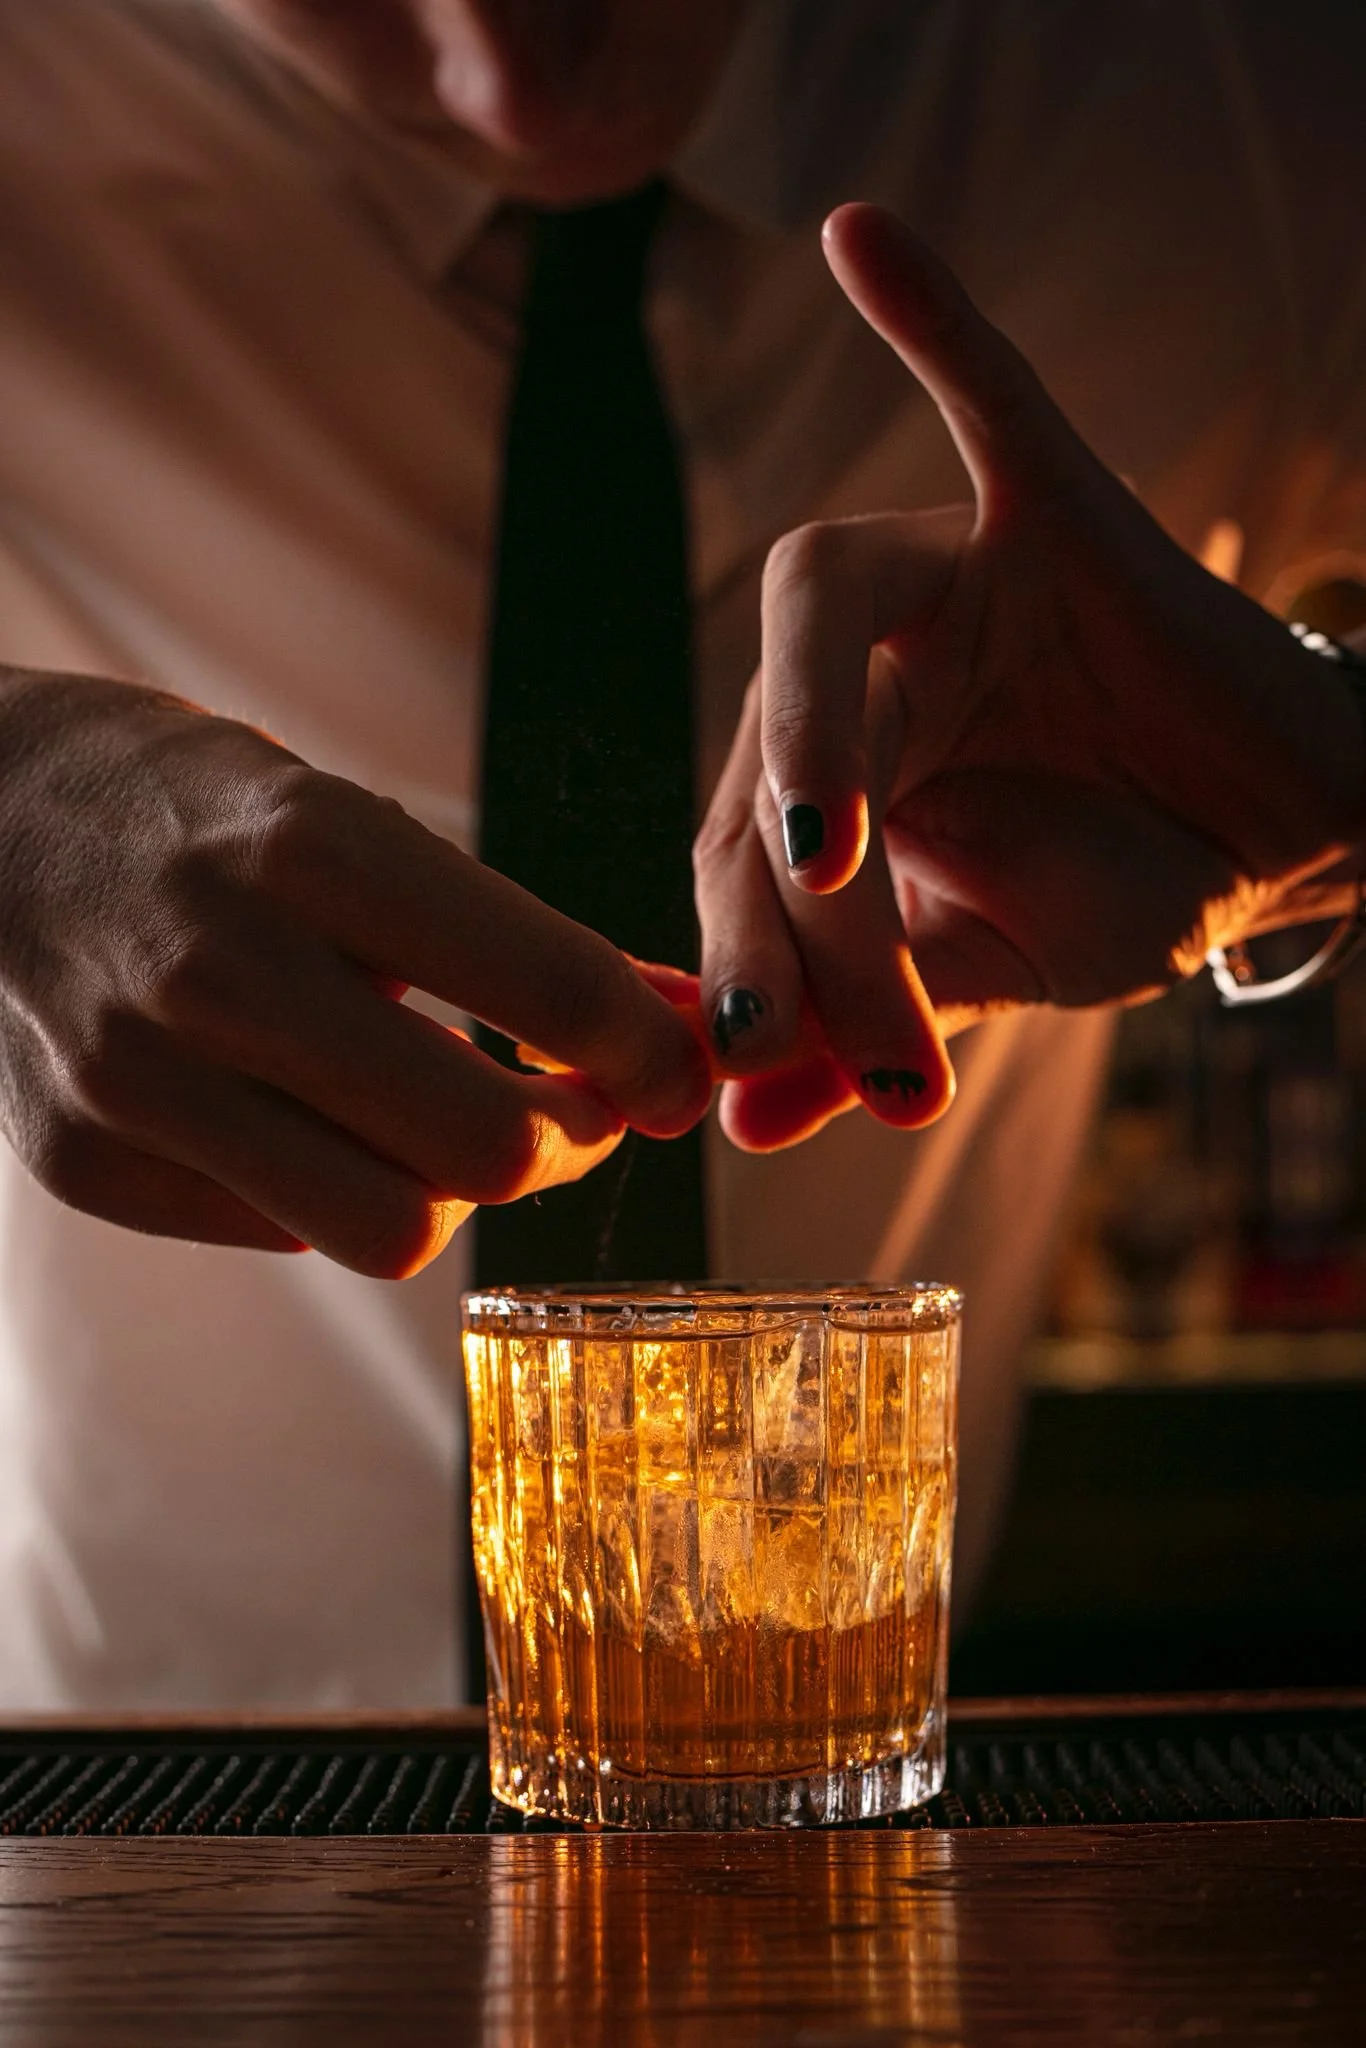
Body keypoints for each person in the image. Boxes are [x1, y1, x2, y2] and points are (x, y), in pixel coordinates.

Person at [0, 0, 1362, 1709]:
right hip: (115, 1823)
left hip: (846, 1786)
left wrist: (1324, 789)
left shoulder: (1230, 95)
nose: (506, 80)